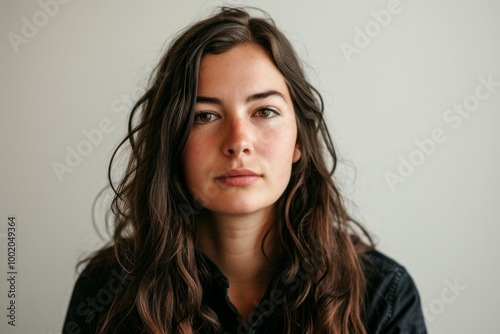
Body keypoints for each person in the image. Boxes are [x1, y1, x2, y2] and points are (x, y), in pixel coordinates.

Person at [63, 7, 427, 334]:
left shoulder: (382, 293)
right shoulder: (108, 289)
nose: (238, 141)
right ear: (172, 142)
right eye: (205, 116)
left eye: (264, 112)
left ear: (299, 140)